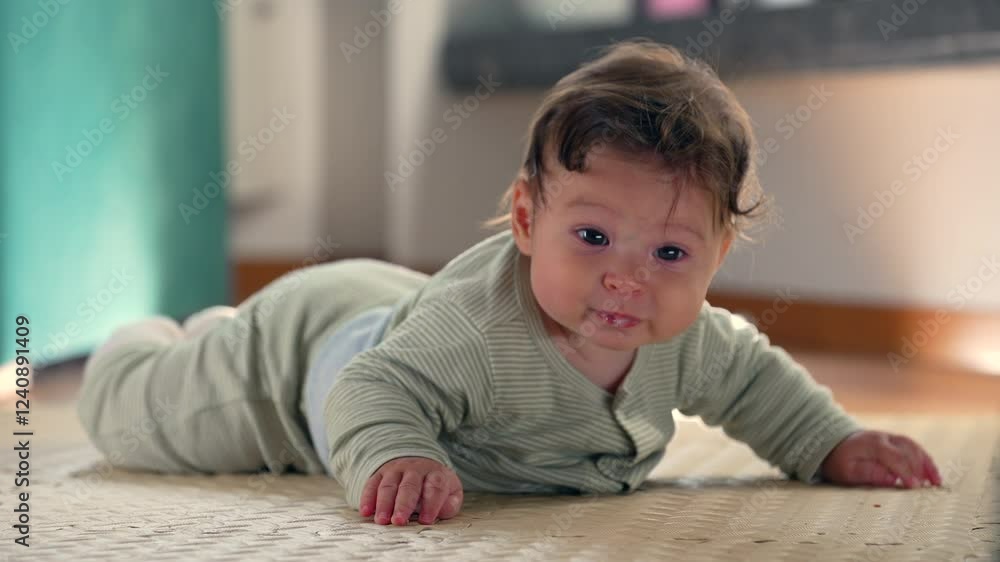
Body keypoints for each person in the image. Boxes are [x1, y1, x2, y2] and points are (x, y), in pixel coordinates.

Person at [77, 40, 942, 528]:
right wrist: (400, 454)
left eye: (671, 255)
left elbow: (761, 387)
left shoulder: (693, 339)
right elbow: (374, 387)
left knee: (405, 327)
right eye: (594, 236)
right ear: (527, 222)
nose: (626, 280)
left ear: (719, 256)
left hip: (392, 310)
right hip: (298, 366)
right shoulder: (475, 334)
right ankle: (154, 338)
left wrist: (833, 442)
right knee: (135, 419)